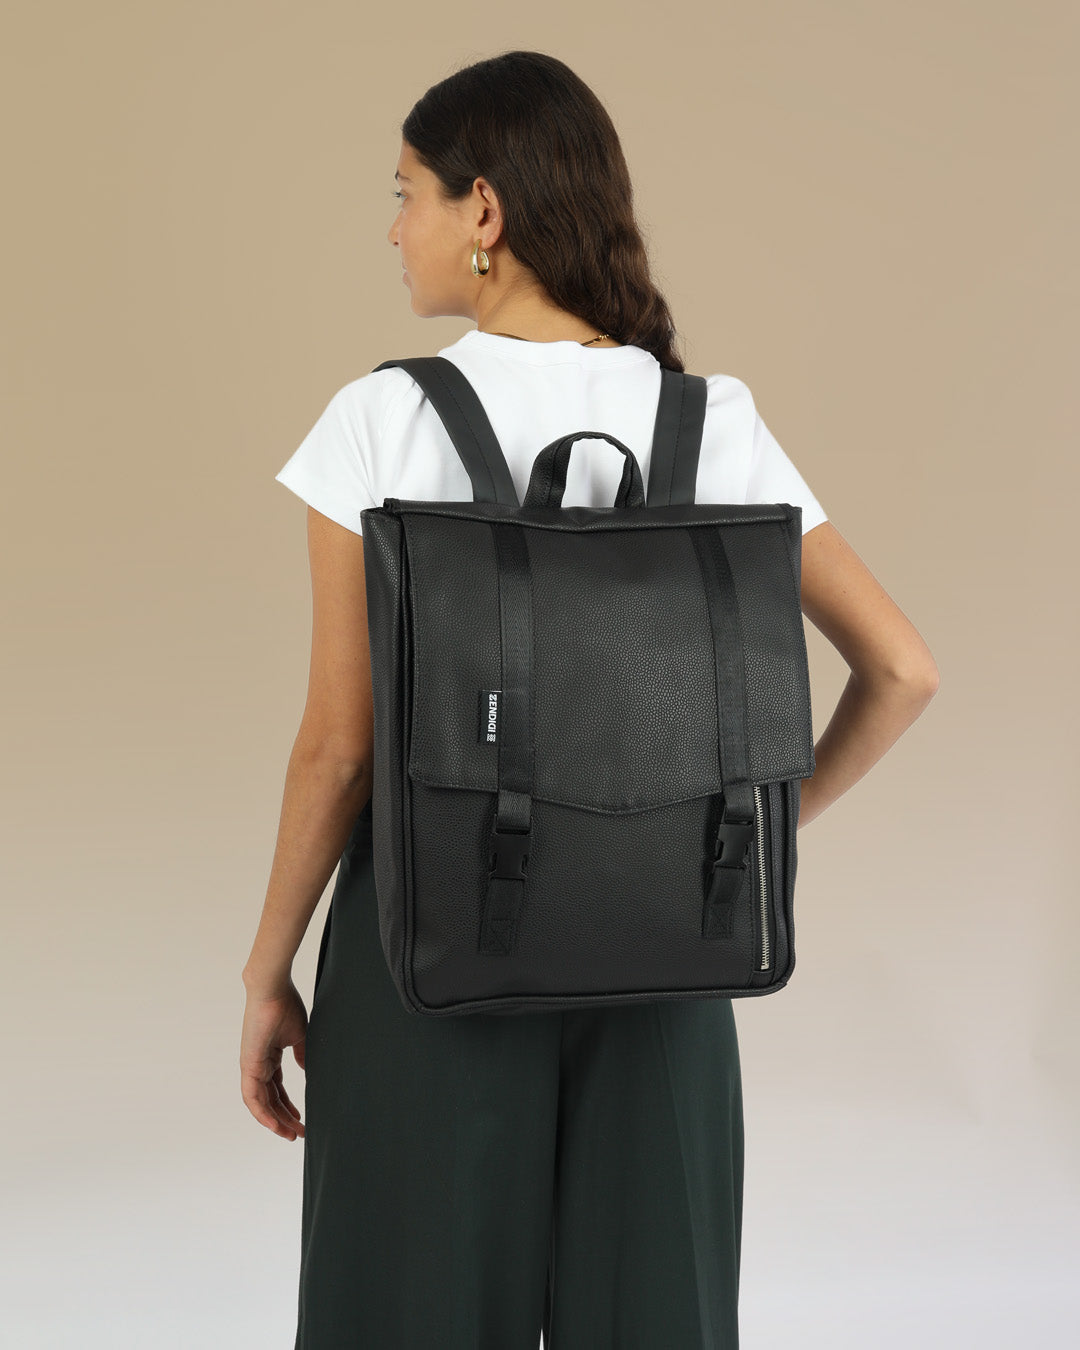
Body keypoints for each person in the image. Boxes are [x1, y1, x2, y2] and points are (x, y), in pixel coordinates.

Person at [240, 49, 939, 1350]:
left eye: (405, 194)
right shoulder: (709, 421)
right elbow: (902, 668)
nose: (394, 228)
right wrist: (753, 829)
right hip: (663, 953)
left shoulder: (380, 419)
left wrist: (267, 970)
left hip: (423, 957)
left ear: (484, 209)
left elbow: (340, 748)